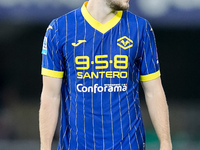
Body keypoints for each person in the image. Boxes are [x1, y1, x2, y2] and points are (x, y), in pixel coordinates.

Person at [39, 0, 172, 149]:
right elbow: (50, 95)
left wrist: (165, 142)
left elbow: (153, 91)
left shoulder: (140, 28)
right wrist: (45, 146)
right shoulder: (59, 29)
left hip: (129, 145)